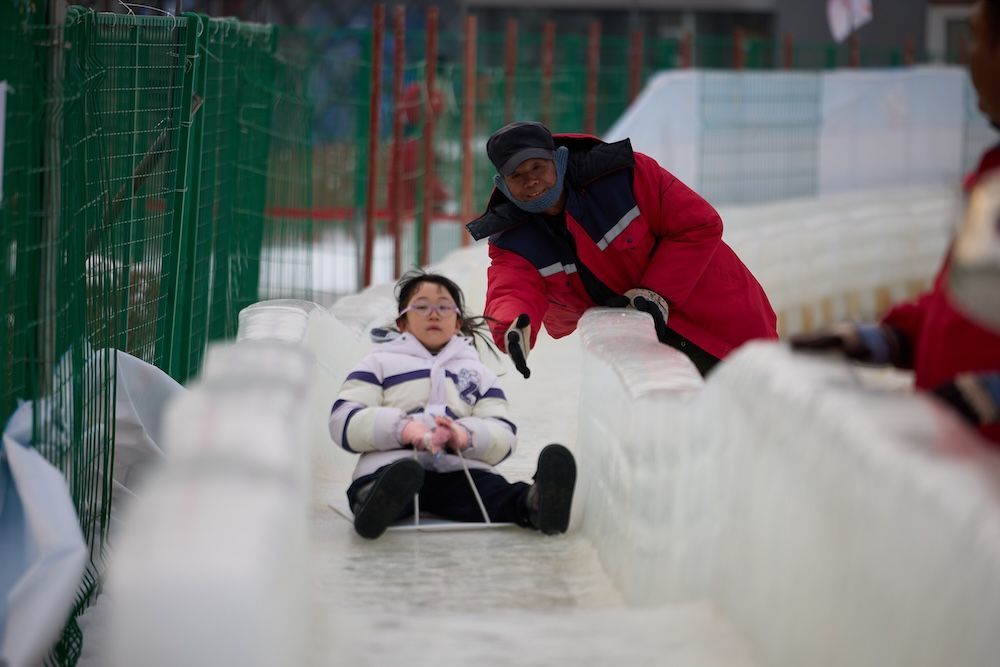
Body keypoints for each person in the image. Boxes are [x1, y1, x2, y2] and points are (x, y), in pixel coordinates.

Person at [790, 0, 1000, 447]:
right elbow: (966, 313)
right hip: (951, 478)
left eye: (979, 38)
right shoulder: (990, 179)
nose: (969, 56)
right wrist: (886, 338)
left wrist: (992, 392)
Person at [465, 120, 778, 379]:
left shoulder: (627, 175)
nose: (531, 181)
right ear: (503, 184)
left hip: (719, 318)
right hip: (647, 342)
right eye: (517, 175)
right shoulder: (511, 239)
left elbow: (699, 224)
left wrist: (656, 293)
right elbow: (512, 289)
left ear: (559, 161)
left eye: (538, 167)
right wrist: (512, 326)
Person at [328, 270, 577, 539]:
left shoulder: (478, 374)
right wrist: (403, 429)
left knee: (495, 492)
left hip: (459, 471)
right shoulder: (378, 363)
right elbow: (345, 418)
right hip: (393, 466)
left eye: (444, 307)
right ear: (402, 323)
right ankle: (374, 502)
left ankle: (534, 503)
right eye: (422, 306)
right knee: (376, 483)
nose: (433, 314)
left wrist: (463, 435)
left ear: (457, 322)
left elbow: (503, 432)